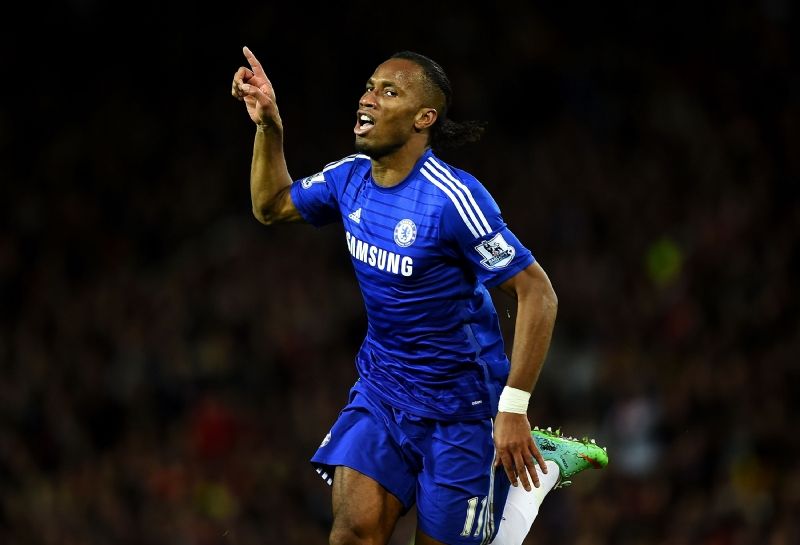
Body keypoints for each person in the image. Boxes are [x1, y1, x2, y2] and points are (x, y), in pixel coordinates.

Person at [231, 46, 606, 545]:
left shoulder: (452, 199)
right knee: (351, 534)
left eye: (389, 92)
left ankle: (534, 481)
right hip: (382, 392)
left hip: (461, 409)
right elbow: (271, 205)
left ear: (423, 118)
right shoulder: (349, 178)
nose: (368, 99)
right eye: (369, 87)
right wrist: (268, 127)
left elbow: (537, 292)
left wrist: (513, 407)